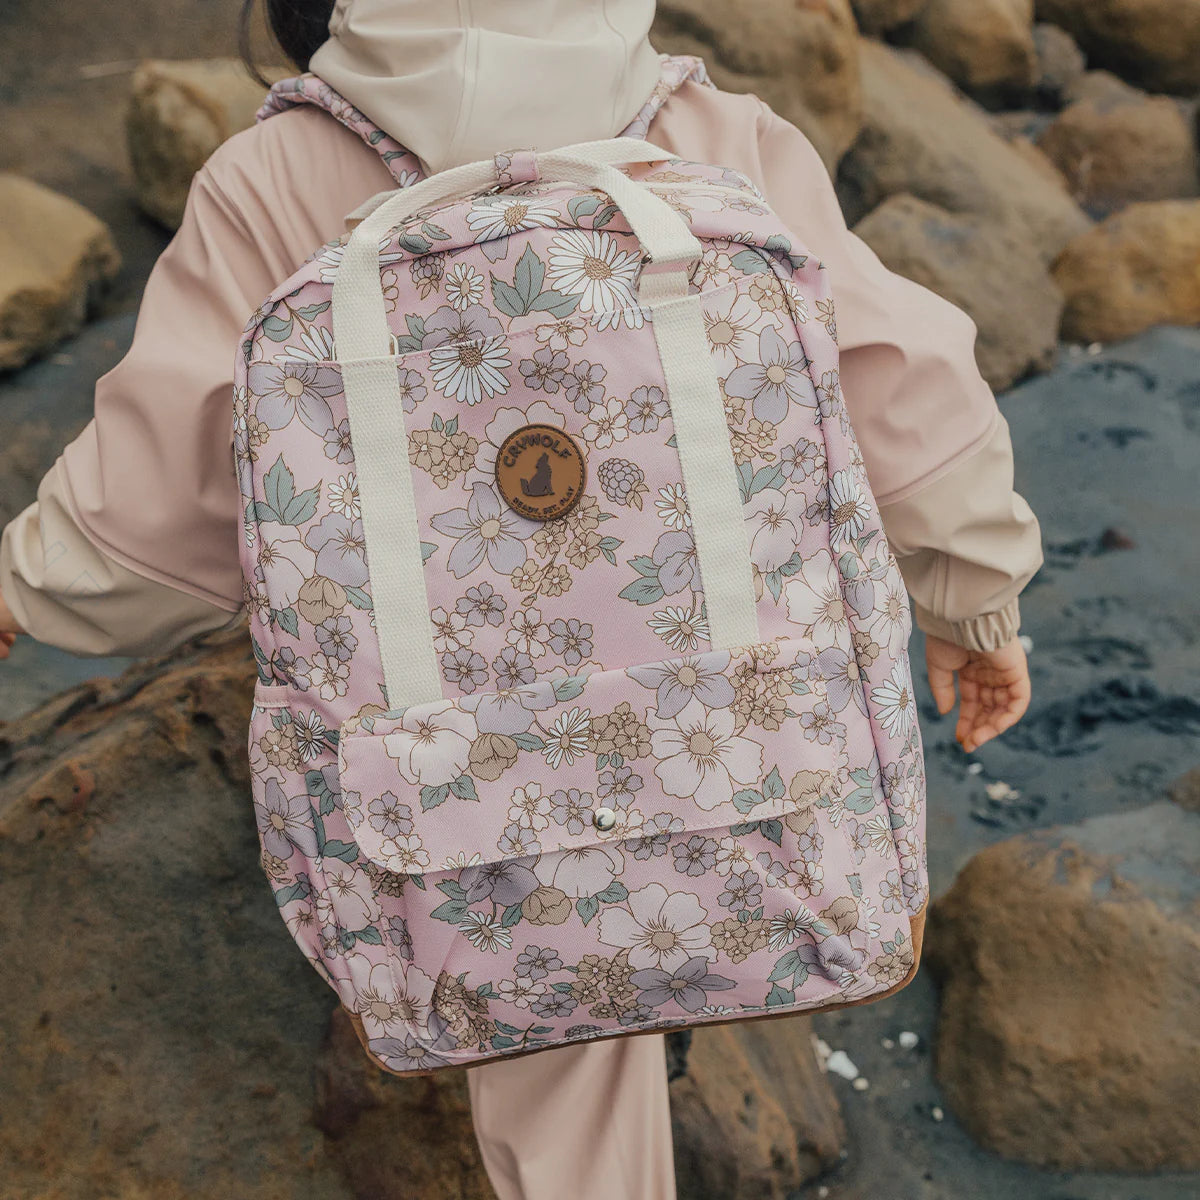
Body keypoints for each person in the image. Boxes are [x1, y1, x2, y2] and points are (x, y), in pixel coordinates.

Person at [0, 2, 1043, 1196]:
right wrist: (976, 604)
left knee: (542, 989)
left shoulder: (275, 174)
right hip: (727, 722)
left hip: (454, 764)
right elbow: (904, 390)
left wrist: (28, 588)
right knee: (684, 859)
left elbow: (162, 503)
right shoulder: (707, 132)